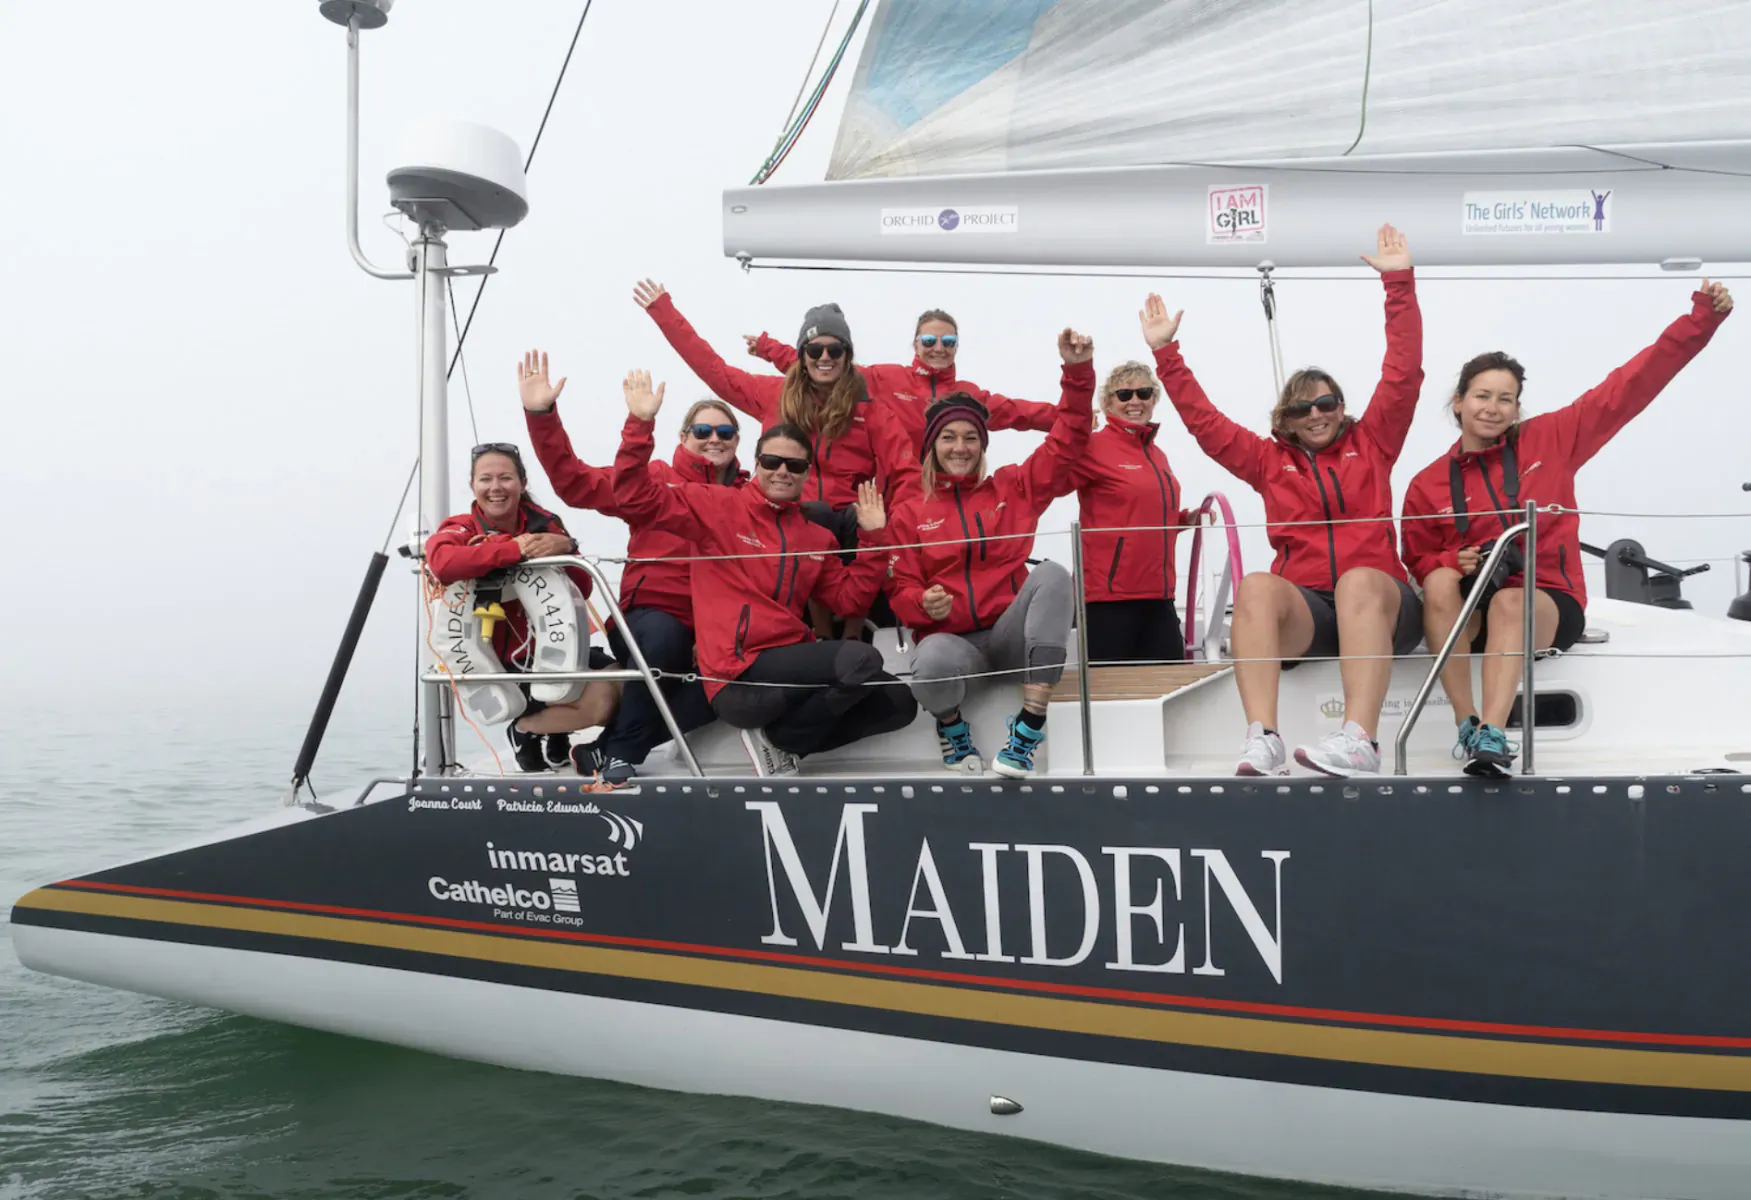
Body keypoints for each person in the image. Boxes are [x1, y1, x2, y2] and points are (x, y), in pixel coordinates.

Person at [1402, 280, 1734, 775]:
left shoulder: (1553, 439)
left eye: (1506, 399)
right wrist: (1455, 561)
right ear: (1458, 402)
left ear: (1518, 407)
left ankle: (1491, 735)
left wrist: (1701, 320)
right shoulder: (1427, 483)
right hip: (1472, 610)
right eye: (1482, 396)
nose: (1492, 408)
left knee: (1514, 600)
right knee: (1438, 580)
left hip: (1548, 601)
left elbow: (1633, 384)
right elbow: (1416, 556)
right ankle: (1465, 720)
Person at [1142, 223, 1425, 777]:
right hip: (1315, 613)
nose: (1316, 413)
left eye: (1326, 402)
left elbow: (1404, 373)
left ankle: (1361, 740)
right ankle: (1263, 740)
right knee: (1255, 587)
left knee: (1359, 580)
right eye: (1302, 409)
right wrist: (1165, 354)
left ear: (1342, 406)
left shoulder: (1375, 443)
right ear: (1285, 420)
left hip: (1384, 606)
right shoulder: (1270, 463)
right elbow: (1206, 425)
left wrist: (1399, 285)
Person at [610, 368, 917, 776]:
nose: (782, 471)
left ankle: (786, 741)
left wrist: (874, 538)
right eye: (772, 461)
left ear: (808, 474)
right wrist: (639, 425)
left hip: (788, 662)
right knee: (860, 658)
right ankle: (785, 740)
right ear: (756, 464)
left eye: (794, 464)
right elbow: (633, 494)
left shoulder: (815, 536)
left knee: (899, 703)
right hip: (738, 675)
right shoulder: (716, 506)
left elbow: (850, 601)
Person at [635, 280, 921, 634]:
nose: (825, 358)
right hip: (783, 516)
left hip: (848, 519)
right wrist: (664, 312)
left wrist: (908, 522)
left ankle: (852, 631)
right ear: (802, 355)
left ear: (848, 356)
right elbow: (714, 369)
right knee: (813, 517)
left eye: (835, 350)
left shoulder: (871, 412)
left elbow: (906, 470)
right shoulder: (774, 396)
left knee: (861, 518)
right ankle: (820, 632)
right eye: (814, 350)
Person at [519, 349, 746, 784]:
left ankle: (610, 750)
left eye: (725, 432)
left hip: (717, 624)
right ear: (683, 437)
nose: (713, 439)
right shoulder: (653, 480)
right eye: (702, 430)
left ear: (737, 441)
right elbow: (573, 482)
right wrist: (540, 413)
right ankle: (621, 749)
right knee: (665, 640)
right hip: (651, 619)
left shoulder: (749, 494)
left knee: (735, 684)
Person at [886, 329, 1095, 778]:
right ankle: (951, 727)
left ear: (983, 444)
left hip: (1011, 636)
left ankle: (1028, 726)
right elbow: (899, 589)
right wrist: (922, 603)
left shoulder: (1013, 486)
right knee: (929, 665)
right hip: (956, 644)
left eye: (970, 438)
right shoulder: (908, 512)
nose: (960, 447)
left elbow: (1068, 440)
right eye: (948, 438)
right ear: (931, 448)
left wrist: (1077, 373)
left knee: (1054, 574)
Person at [425, 443, 619, 772]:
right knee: (599, 701)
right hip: (501, 664)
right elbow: (443, 562)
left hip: (557, 648)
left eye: (506, 478)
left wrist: (566, 548)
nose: (496, 487)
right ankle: (527, 730)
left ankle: (548, 728)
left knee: (625, 685)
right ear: (472, 485)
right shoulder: (460, 529)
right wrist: (512, 549)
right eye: (485, 479)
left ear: (522, 483)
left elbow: (582, 588)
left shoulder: (546, 525)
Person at [746, 308, 1058, 451]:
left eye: (948, 342)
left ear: (957, 346)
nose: (938, 348)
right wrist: (768, 348)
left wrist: (1071, 417)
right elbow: (825, 365)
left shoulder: (968, 396)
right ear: (915, 343)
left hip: (945, 489)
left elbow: (1019, 412)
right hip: (893, 494)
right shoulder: (885, 378)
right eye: (930, 341)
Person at [1072, 360, 1194, 664]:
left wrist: (1182, 521)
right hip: (1108, 600)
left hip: (1160, 594)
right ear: (1107, 402)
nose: (1135, 401)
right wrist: (1070, 432)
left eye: (1144, 392)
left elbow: (1140, 516)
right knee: (1111, 699)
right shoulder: (1091, 446)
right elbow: (1047, 482)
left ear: (1154, 399)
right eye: (1124, 395)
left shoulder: (1158, 454)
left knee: (1172, 687)